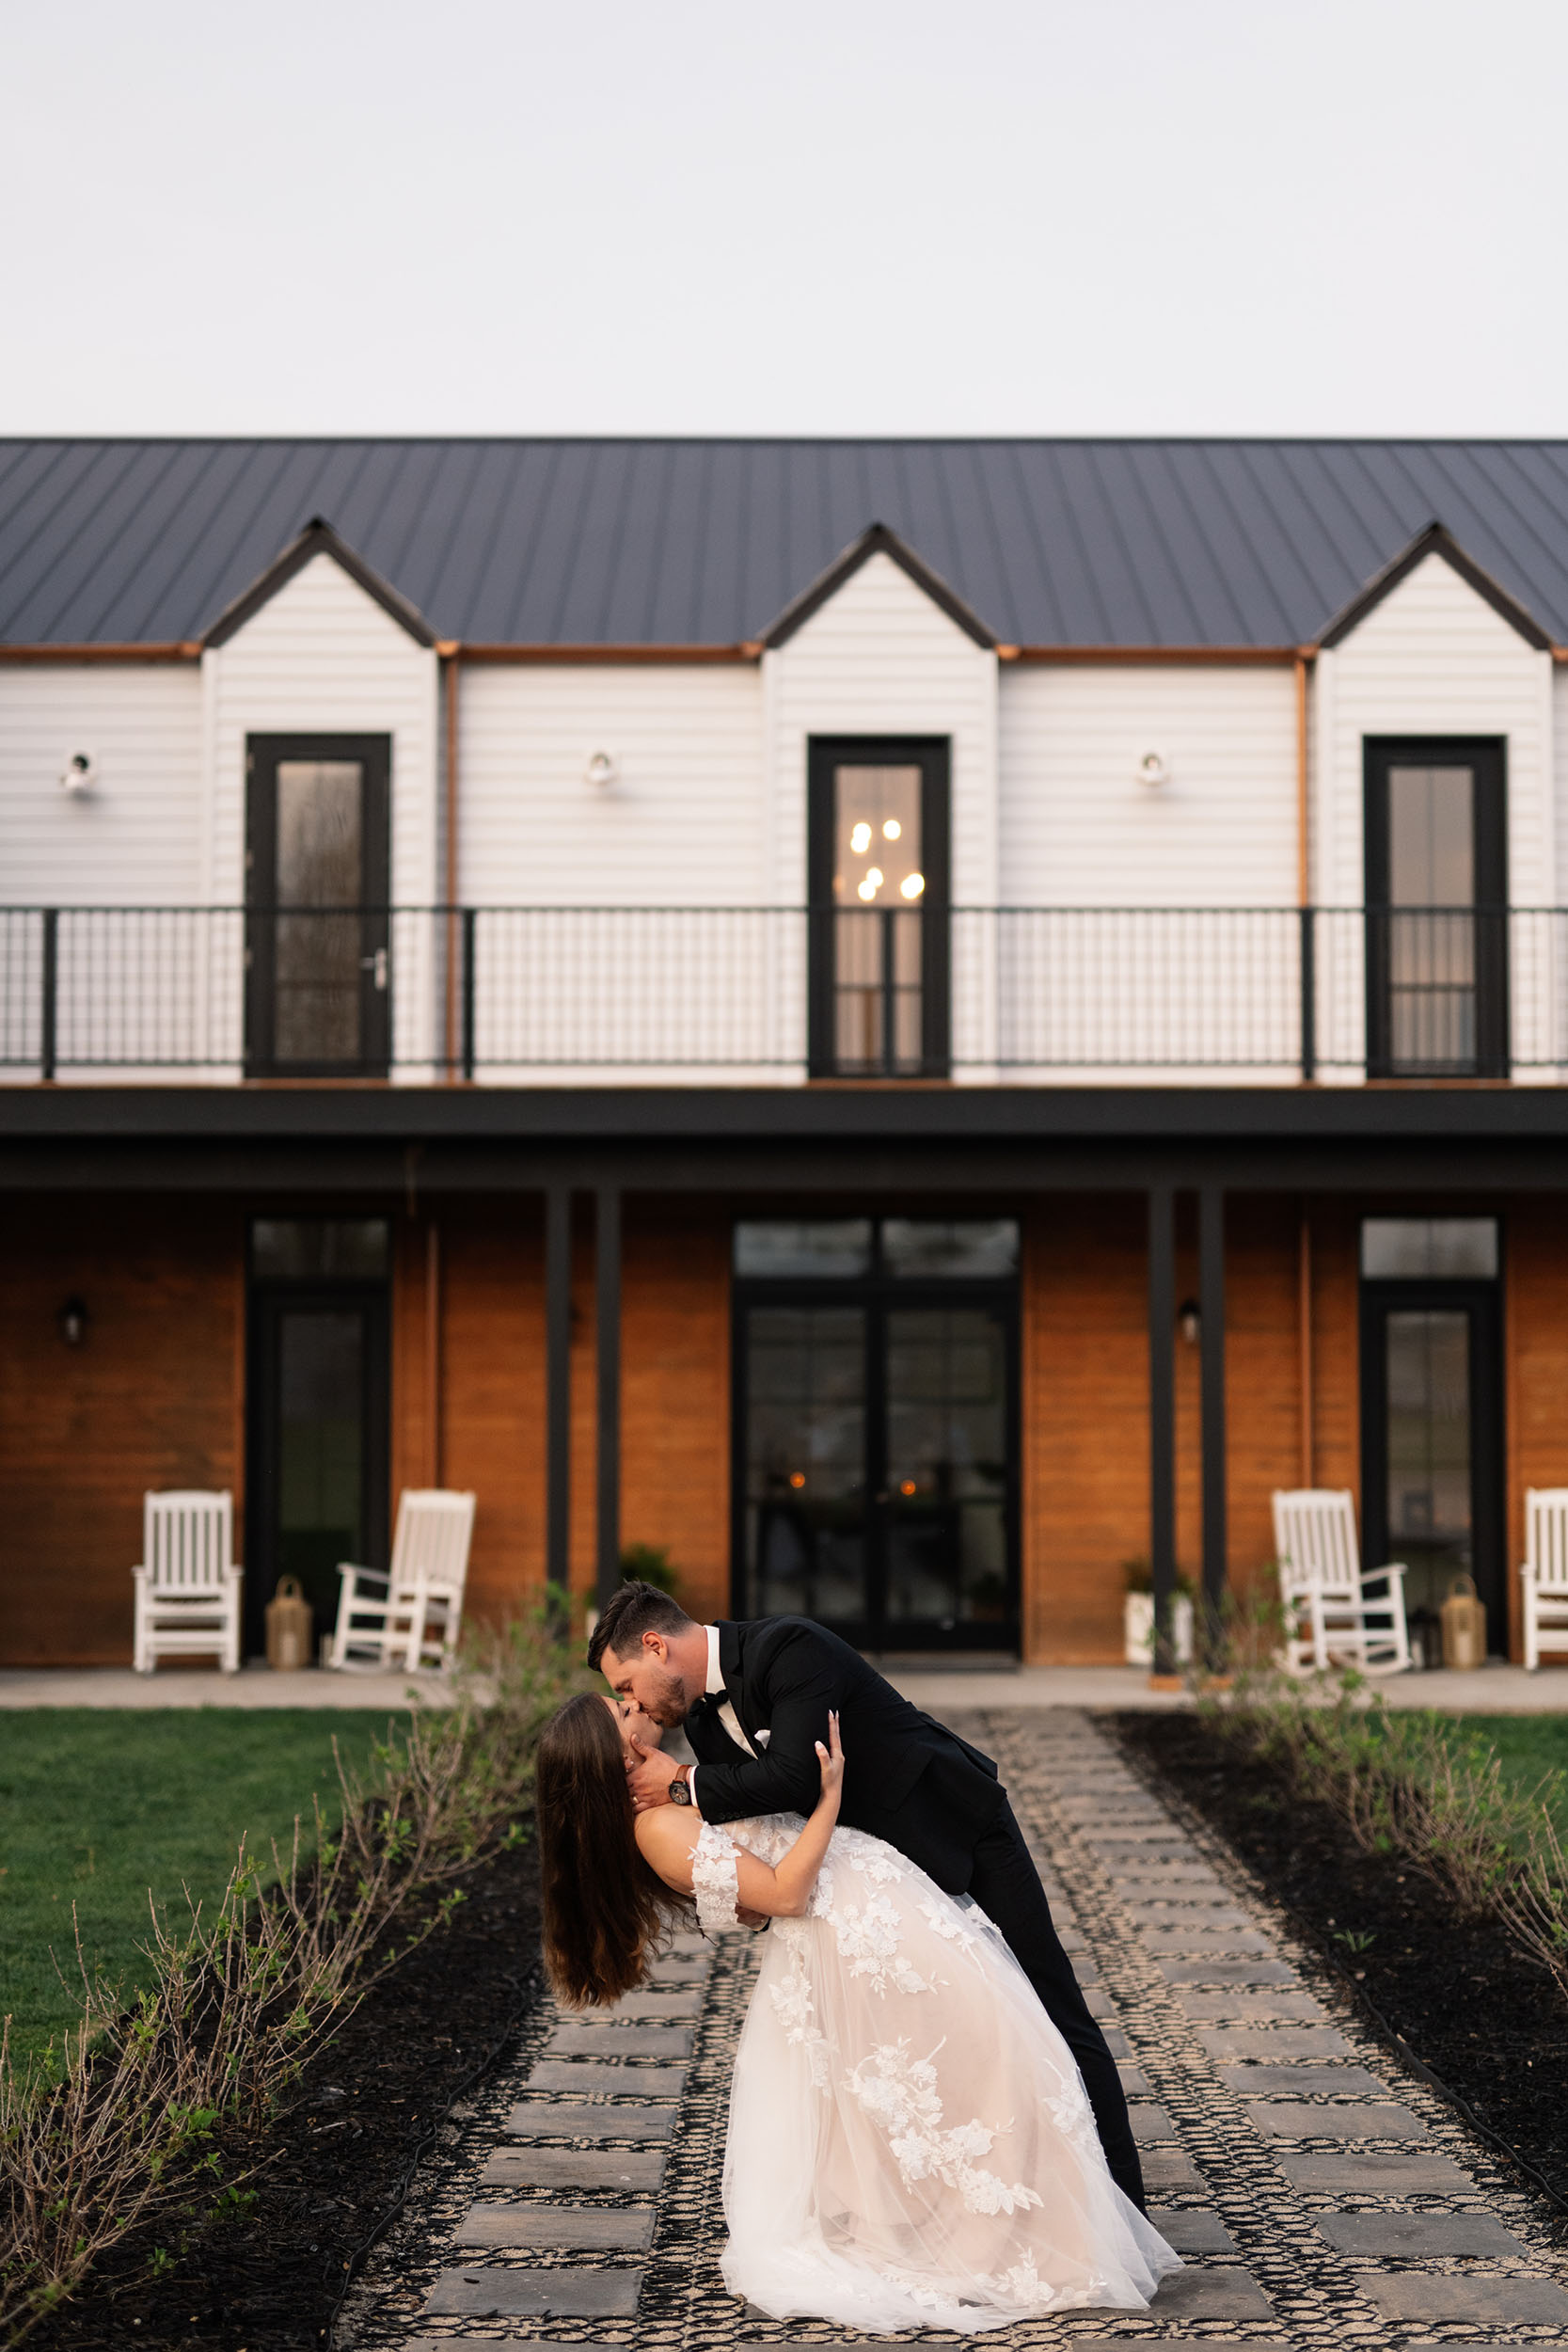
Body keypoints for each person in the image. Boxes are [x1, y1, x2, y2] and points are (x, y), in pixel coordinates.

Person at [535, 1685, 1178, 2332]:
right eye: (619, 1712)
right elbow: (782, 1896)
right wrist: (829, 1799)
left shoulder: (667, 1793)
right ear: (607, 1755)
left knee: (978, 2065)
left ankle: (1017, 2230)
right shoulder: (656, 1828)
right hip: (857, 1937)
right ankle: (1001, 2240)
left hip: (875, 1913)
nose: (635, 1710)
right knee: (992, 2058)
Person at [591, 1582, 1145, 2212]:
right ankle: (1010, 2198)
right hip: (879, 1888)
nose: (630, 1703)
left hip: (956, 1830)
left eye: (626, 1685)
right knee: (972, 2035)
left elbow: (797, 1773)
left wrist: (685, 1784)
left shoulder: (786, 1647)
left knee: (1050, 2006)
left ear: (656, 1646)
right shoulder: (698, 1720)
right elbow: (758, 1811)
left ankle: (1124, 2206)